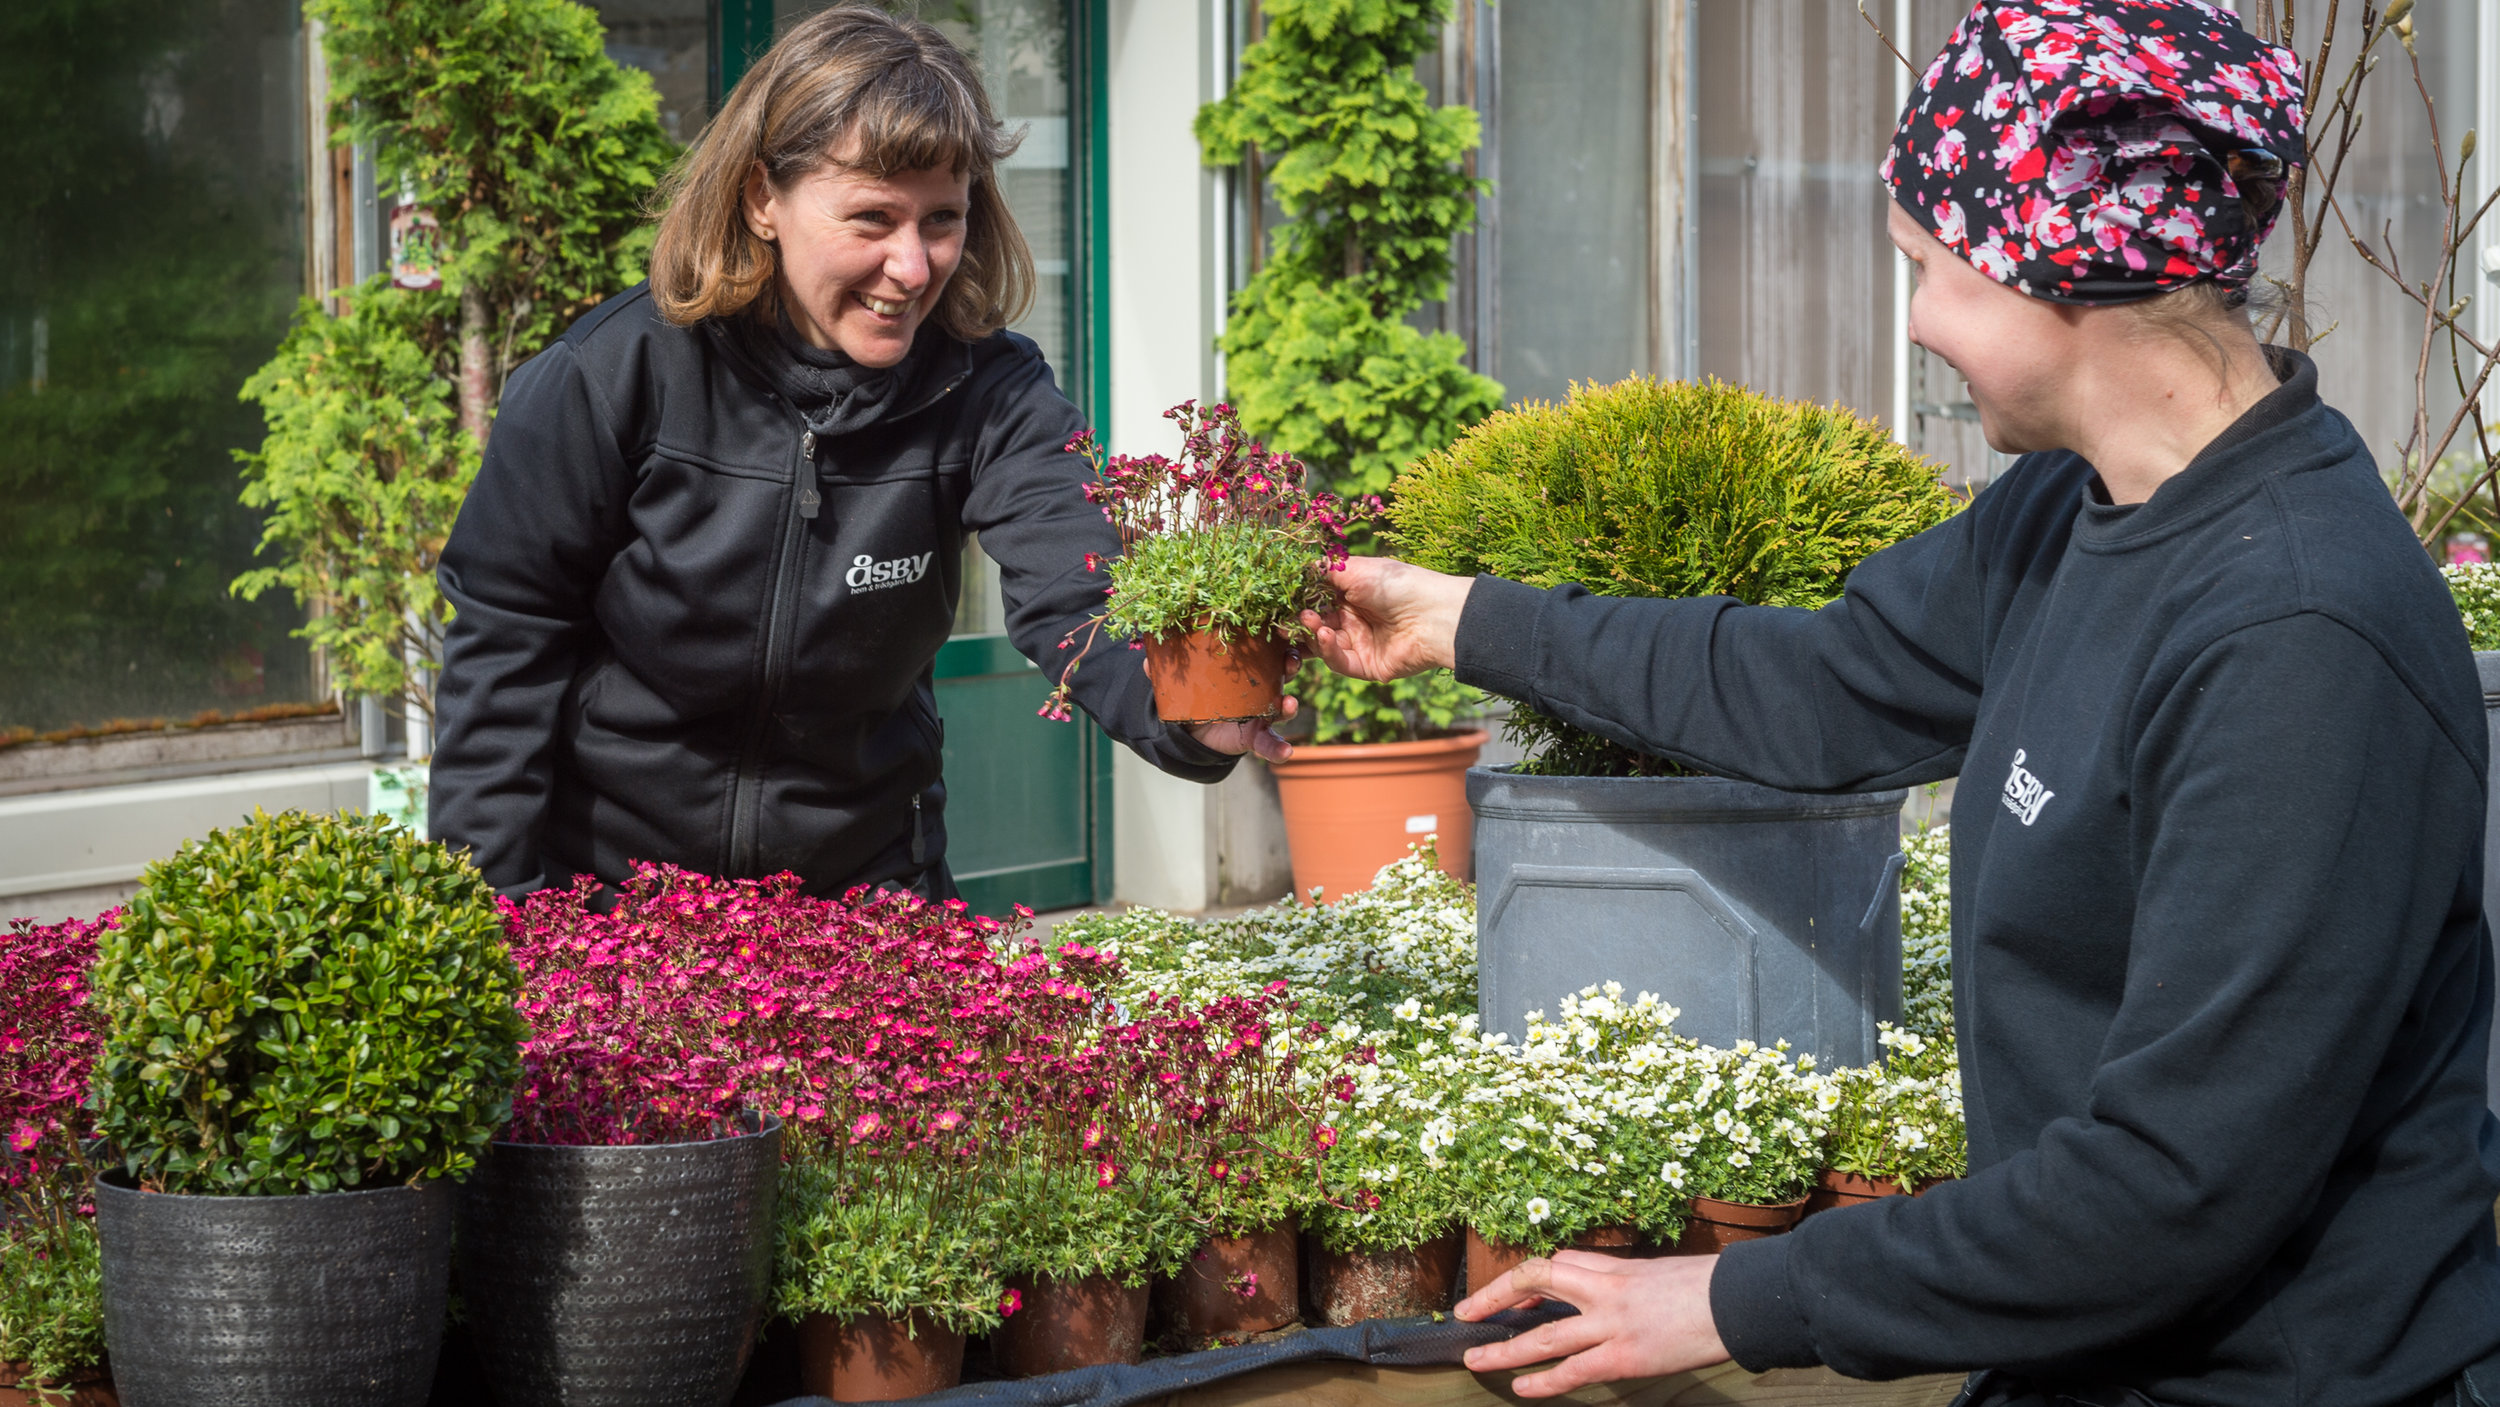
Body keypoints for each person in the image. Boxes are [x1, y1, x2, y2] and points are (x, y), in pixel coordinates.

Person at [1306, 4, 2500, 1404]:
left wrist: (1733, 1292)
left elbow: (2168, 1186)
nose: (1917, 318)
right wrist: (1462, 617)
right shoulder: (2082, 507)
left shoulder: (2297, 637)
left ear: (2064, 267)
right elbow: (1821, 684)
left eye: (1927, 269)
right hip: (2093, 1356)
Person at [430, 5, 1289, 903]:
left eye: (941, 219)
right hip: (621, 912)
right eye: (872, 218)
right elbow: (504, 645)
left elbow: (1077, 592)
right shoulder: (612, 377)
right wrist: (499, 924)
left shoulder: (989, 392)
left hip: (868, 914)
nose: (913, 267)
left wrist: (1187, 711)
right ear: (763, 198)